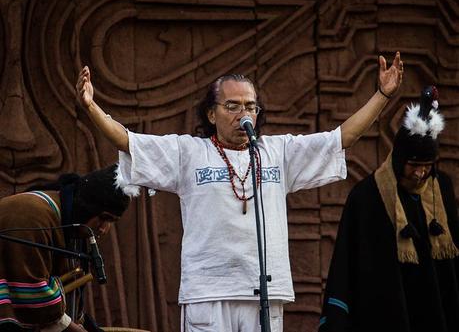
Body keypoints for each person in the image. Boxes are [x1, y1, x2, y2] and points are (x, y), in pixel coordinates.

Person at [76, 53, 403, 332]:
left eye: (250, 106)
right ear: (211, 113)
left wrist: (382, 96)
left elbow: (340, 138)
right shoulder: (188, 153)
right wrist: (91, 106)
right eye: (232, 106)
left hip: (265, 291)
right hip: (208, 293)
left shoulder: (279, 152)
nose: (243, 114)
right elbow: (127, 140)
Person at [319, 86, 459, 332]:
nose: (419, 173)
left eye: (427, 166)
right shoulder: (367, 196)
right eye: (413, 165)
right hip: (384, 312)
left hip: (436, 311)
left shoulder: (442, 189)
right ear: (399, 159)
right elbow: (347, 263)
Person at [0, 164, 133, 332]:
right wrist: (69, 327)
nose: (104, 228)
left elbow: (68, 302)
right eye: (104, 218)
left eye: (112, 222)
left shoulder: (73, 226)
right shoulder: (30, 214)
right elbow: (28, 291)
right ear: (86, 206)